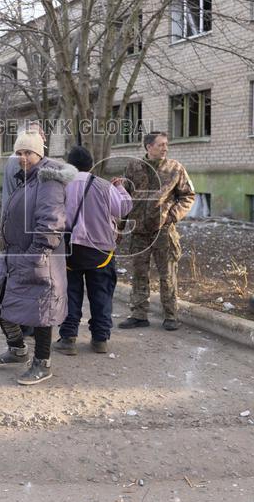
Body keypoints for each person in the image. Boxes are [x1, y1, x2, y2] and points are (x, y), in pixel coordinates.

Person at [0, 130, 76, 385]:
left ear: (39, 153)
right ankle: (17, 349)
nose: (23, 157)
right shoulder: (27, 178)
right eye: (20, 152)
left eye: (28, 152)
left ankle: (42, 363)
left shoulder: (48, 180)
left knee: (41, 310)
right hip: (15, 254)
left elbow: (51, 221)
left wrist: (37, 254)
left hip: (38, 257)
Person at [54, 146, 133, 355]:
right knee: (102, 294)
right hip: (101, 251)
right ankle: (100, 339)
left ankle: (68, 338)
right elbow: (123, 209)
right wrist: (121, 189)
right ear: (91, 165)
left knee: (70, 293)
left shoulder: (61, 185)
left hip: (70, 249)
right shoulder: (104, 186)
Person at [120, 132, 195, 331]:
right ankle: (139, 314)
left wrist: (172, 216)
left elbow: (188, 195)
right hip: (139, 231)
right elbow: (125, 199)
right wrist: (119, 227)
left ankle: (171, 315)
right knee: (139, 273)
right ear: (148, 147)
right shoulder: (133, 167)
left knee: (167, 274)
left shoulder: (175, 168)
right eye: (161, 145)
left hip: (163, 231)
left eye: (166, 145)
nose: (165, 148)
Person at [0, 121, 46, 214]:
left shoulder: (18, 157)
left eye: (43, 134)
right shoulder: (22, 160)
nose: (44, 138)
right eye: (39, 134)